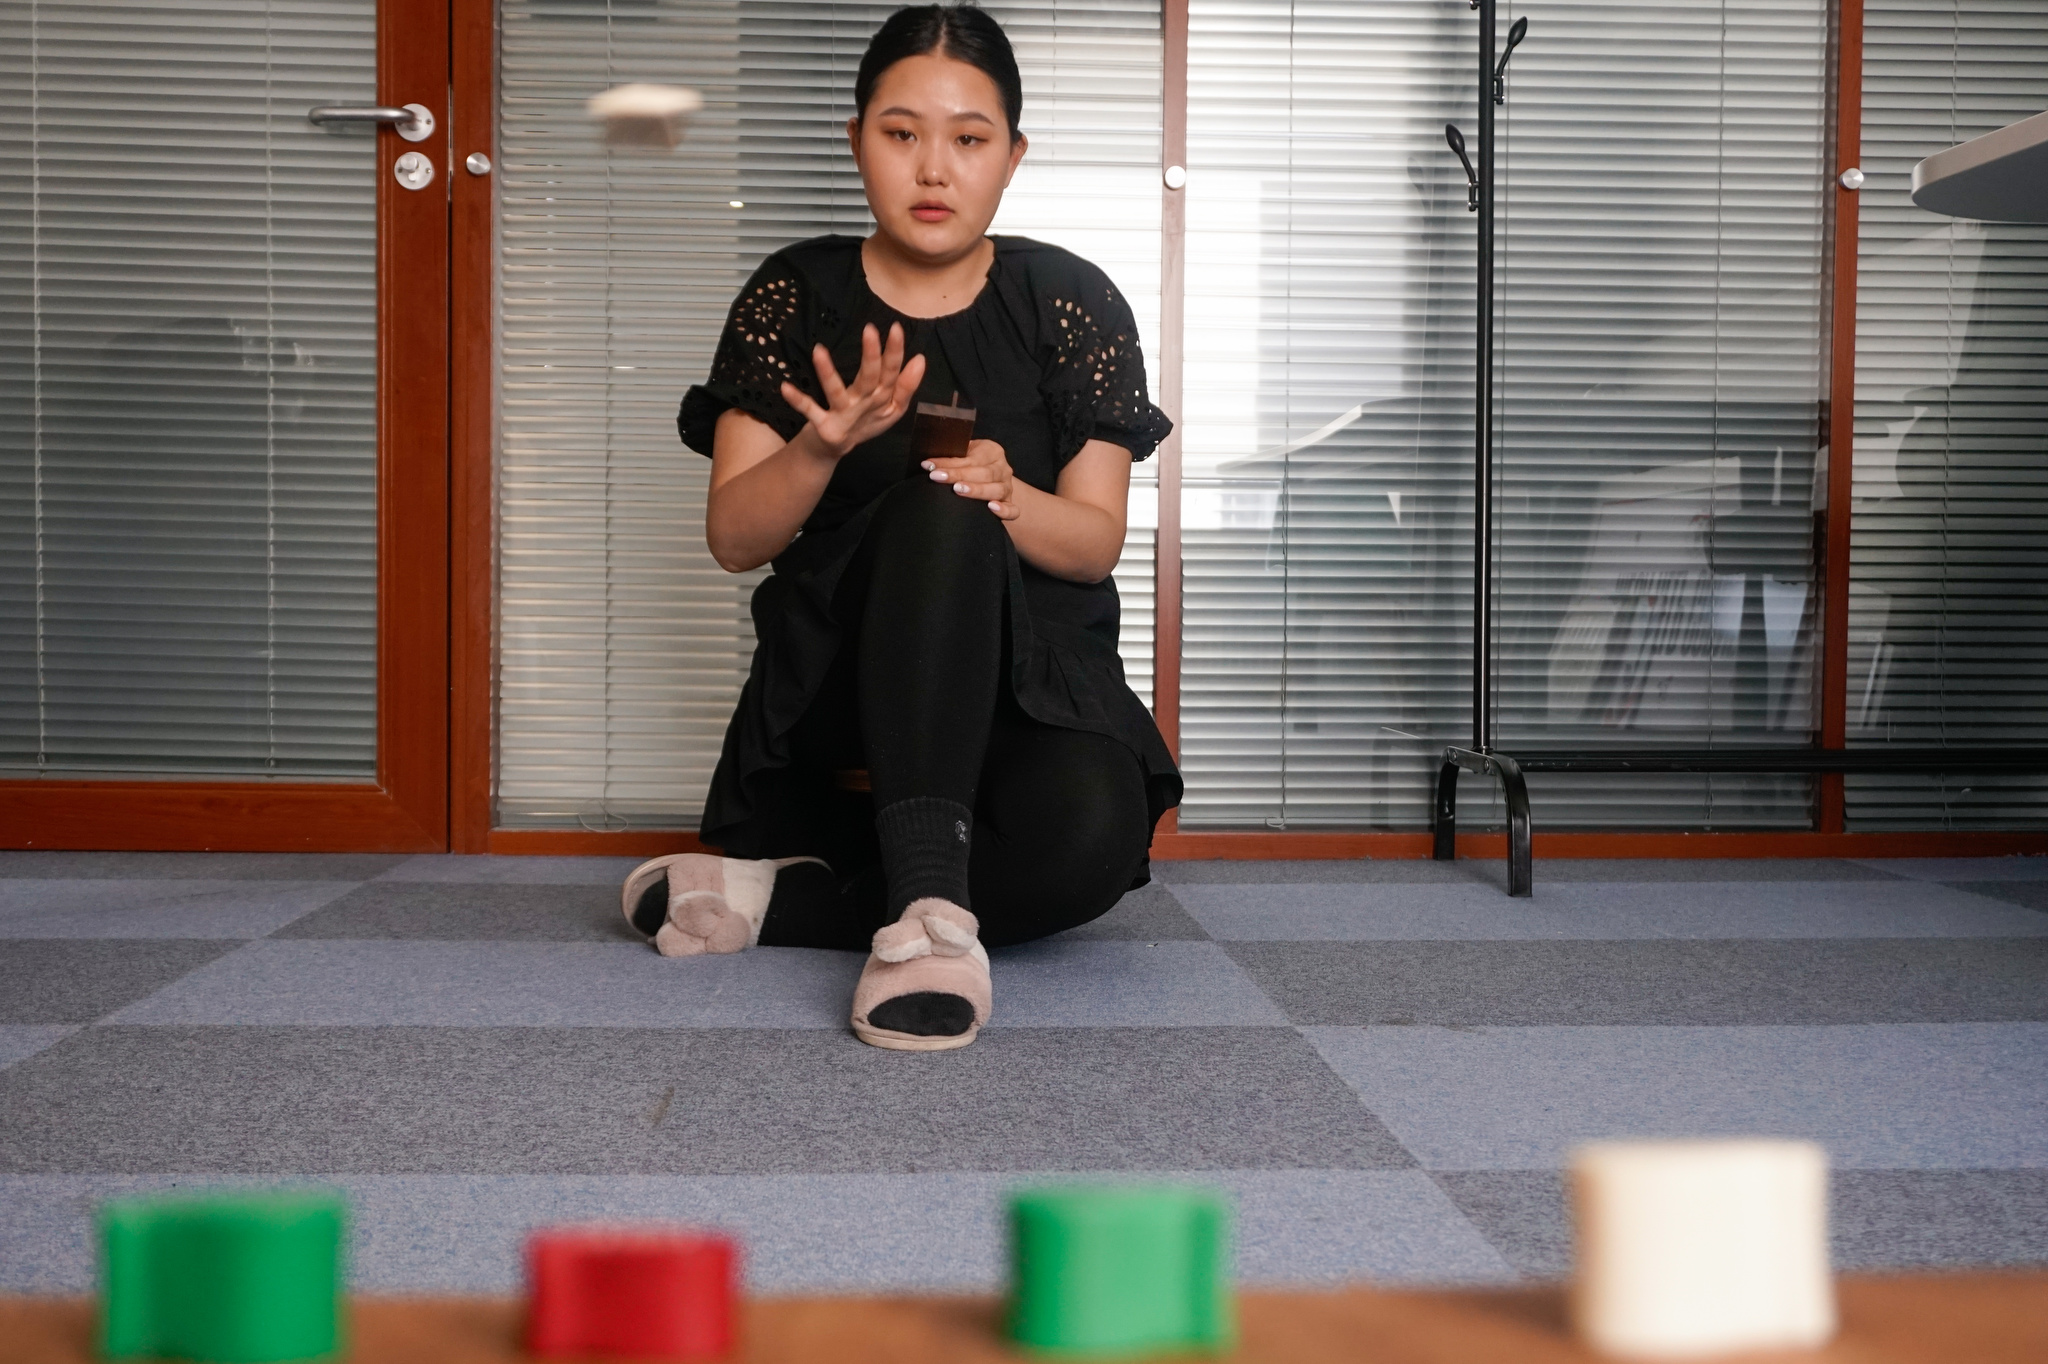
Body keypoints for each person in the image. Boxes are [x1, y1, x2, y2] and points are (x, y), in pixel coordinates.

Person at [620, 3, 1179, 1052]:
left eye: (968, 139)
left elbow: (1094, 542)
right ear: (855, 139)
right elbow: (735, 537)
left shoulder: (1070, 301)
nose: (934, 168)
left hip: (1028, 690)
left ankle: (772, 902)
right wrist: (817, 450)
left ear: (1011, 156)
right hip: (844, 687)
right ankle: (924, 910)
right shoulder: (794, 294)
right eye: (900, 131)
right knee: (931, 501)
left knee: (1092, 840)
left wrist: (1010, 497)